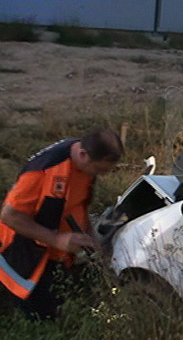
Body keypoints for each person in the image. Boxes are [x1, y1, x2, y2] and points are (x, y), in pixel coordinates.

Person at [0, 130, 124, 319]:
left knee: (59, 305)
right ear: (84, 155)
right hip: (26, 255)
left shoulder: (84, 159)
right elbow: (9, 215)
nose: (102, 175)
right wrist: (56, 239)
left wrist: (92, 238)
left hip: (59, 254)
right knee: (41, 316)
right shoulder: (43, 170)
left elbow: (77, 204)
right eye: (100, 170)